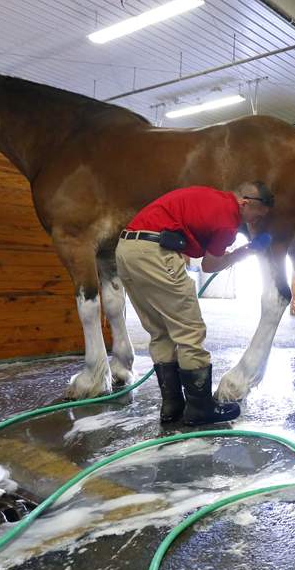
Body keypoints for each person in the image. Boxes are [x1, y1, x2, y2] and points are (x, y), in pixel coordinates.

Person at [115, 182, 274, 425]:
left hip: (126, 249)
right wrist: (250, 249)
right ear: (246, 202)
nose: (253, 222)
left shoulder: (209, 196)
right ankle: (200, 408)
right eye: (256, 215)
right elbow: (210, 266)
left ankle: (172, 405)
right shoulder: (228, 219)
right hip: (155, 253)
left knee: (159, 331)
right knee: (190, 331)